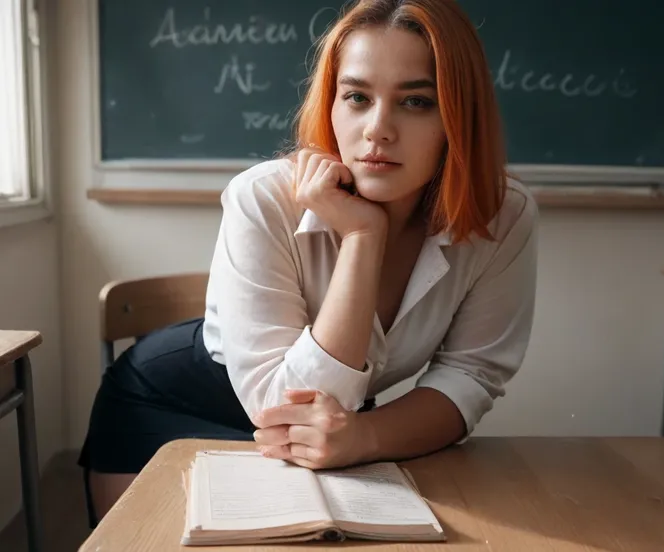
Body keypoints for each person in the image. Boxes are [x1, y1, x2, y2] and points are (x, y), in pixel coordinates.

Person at [78, 0, 538, 525]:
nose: (378, 130)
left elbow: (470, 375)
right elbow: (287, 404)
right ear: (332, 103)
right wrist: (365, 236)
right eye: (357, 97)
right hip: (165, 407)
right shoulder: (264, 198)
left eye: (416, 102)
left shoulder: (502, 217)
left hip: (332, 427)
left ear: (460, 114)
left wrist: (365, 435)